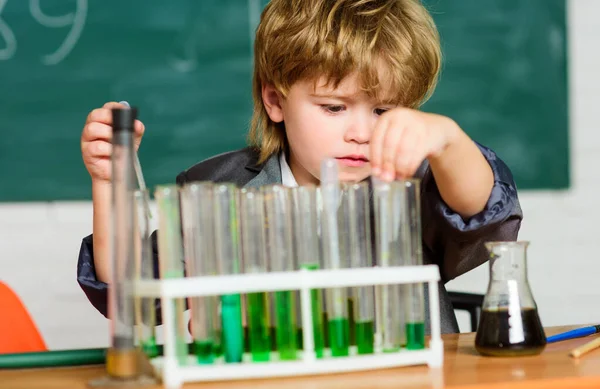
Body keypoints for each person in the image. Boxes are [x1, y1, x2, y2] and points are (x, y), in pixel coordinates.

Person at [77, 0, 522, 333]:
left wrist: (448, 140)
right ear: (275, 100)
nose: (361, 133)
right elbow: (129, 294)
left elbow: (480, 208)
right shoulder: (216, 190)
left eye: (384, 112)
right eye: (334, 107)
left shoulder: (413, 185)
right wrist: (109, 182)